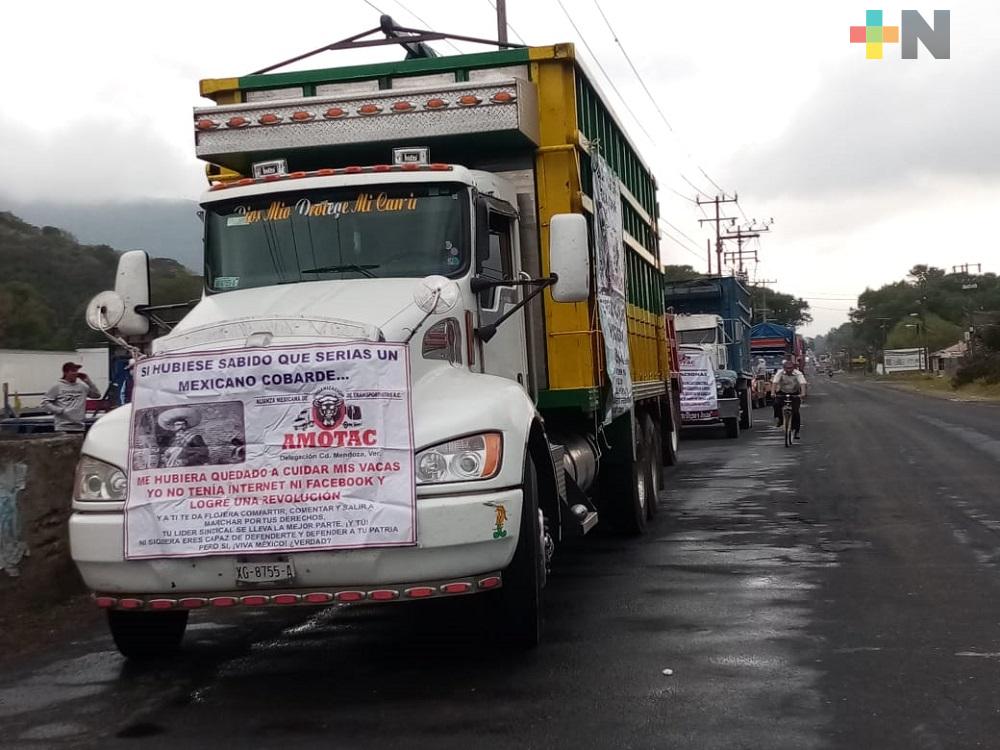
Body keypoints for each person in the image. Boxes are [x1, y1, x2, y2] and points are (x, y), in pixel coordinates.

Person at [40, 362, 101, 433]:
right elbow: (45, 402)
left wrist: (88, 382)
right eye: (72, 371)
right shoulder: (57, 386)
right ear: (65, 373)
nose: (75, 373)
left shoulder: (82, 387)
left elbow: (97, 395)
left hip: (79, 426)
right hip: (62, 426)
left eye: (76, 371)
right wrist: (60, 410)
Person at [771, 359, 807, 439]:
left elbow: (802, 383)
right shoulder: (780, 373)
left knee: (796, 412)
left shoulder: (798, 373)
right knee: (776, 404)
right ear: (784, 368)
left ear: (793, 368)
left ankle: (796, 431)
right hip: (782, 392)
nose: (789, 370)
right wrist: (772, 393)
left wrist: (803, 394)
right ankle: (780, 419)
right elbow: (774, 383)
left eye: (790, 368)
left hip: (794, 393)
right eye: (787, 368)